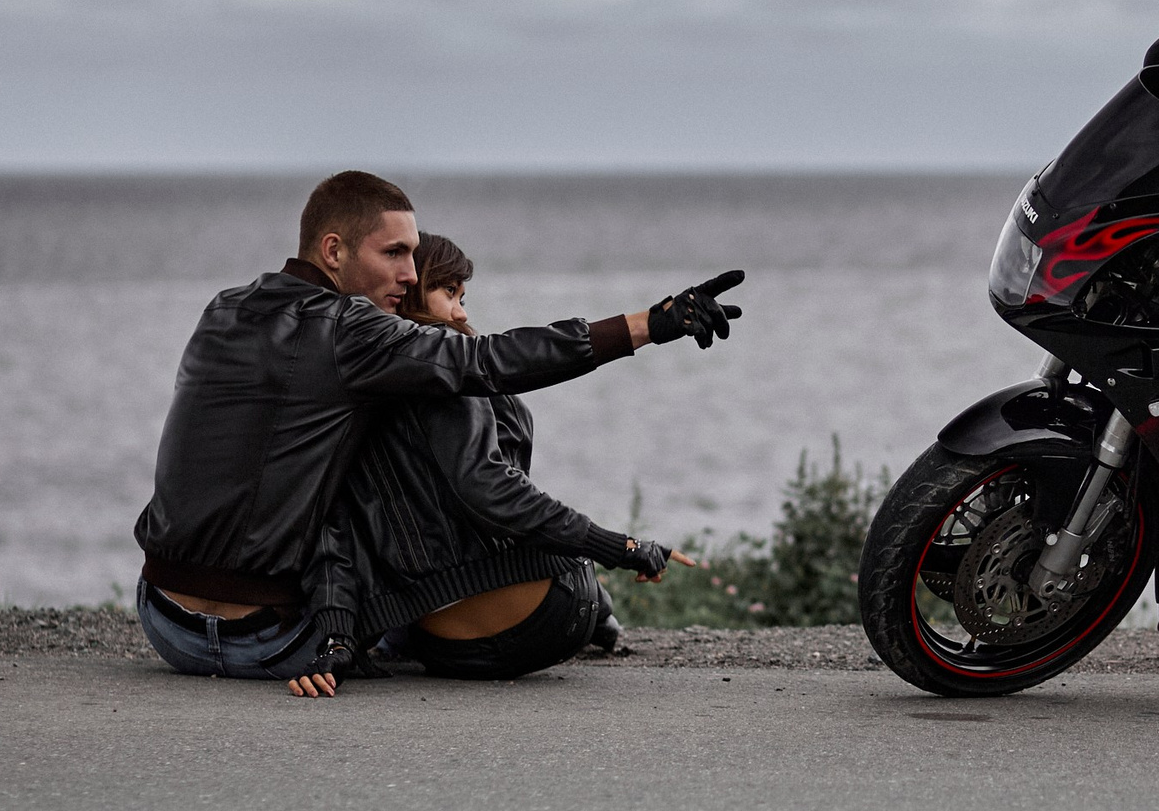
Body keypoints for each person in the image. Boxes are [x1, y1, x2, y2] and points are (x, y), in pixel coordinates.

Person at [133, 170, 741, 691]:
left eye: (415, 254)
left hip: (163, 622)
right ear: (334, 249)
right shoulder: (352, 329)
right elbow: (492, 360)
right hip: (270, 643)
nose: (410, 271)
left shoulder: (221, 308)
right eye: (393, 253)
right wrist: (652, 323)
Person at [284, 232, 701, 696]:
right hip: (547, 619)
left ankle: (599, 609)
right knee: (534, 530)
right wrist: (620, 547)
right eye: (449, 293)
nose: (461, 312)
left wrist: (338, 636)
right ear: (408, 291)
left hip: (440, 649)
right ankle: (601, 612)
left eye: (463, 297)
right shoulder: (441, 356)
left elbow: (333, 527)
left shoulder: (335, 398)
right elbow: (489, 487)